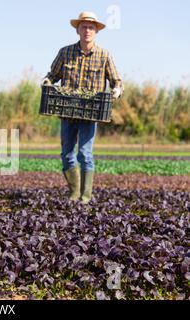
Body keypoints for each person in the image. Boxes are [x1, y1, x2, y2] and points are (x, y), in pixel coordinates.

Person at [41, 11, 123, 204]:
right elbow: (53, 75)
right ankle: (74, 193)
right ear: (77, 30)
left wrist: (117, 89)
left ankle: (85, 197)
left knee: (85, 154)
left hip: (90, 112)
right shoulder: (65, 52)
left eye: (91, 27)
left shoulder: (104, 55)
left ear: (96, 32)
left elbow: (116, 80)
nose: (87, 30)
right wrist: (46, 80)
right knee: (67, 155)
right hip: (67, 111)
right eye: (84, 27)